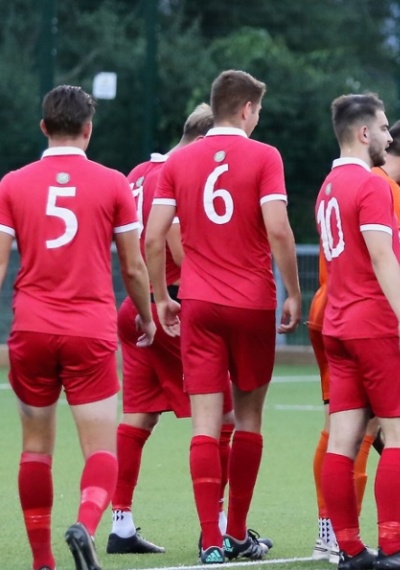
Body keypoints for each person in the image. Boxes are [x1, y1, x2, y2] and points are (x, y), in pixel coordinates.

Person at [145, 69, 303, 564]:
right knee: (250, 417)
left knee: (204, 425)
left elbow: (152, 239)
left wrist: (160, 297)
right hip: (252, 301)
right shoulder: (265, 156)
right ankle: (236, 532)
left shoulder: (178, 160)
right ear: (246, 109)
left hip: (197, 302)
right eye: (257, 110)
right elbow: (278, 230)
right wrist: (294, 291)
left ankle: (210, 541)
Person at [0, 85, 156, 570]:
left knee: (35, 449)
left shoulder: (12, 184)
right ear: (89, 129)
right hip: (89, 330)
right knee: (100, 450)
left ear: (43, 127)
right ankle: (85, 525)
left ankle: (43, 562)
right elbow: (132, 267)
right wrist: (147, 316)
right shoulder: (111, 183)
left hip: (31, 330)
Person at [108, 104, 244, 555]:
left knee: (139, 415)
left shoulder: (138, 172)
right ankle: (221, 526)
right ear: (207, 138)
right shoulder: (185, 173)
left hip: (135, 307)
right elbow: (175, 244)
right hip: (170, 307)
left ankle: (121, 524)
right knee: (222, 413)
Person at [316, 92, 400, 570]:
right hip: (374, 326)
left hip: (339, 325)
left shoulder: (329, 184)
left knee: (343, 440)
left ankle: (349, 550)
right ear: (365, 133)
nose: (389, 137)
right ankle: (392, 548)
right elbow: (380, 253)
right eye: (385, 129)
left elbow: (348, 257)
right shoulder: (371, 185)